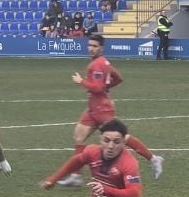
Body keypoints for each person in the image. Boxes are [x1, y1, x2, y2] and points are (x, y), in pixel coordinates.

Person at [57, 34, 164, 186]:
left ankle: (153, 159)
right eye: (90, 45)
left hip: (102, 110)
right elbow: (118, 78)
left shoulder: (97, 64)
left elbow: (97, 88)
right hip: (92, 109)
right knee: (79, 137)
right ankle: (75, 176)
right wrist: (107, 86)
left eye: (95, 46)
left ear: (101, 48)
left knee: (121, 138)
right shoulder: (104, 62)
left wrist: (81, 81)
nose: (91, 48)